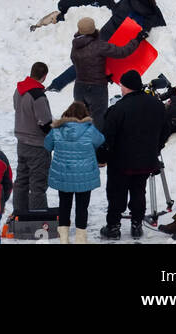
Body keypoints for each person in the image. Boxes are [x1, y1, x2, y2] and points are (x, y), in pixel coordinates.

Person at [99, 70, 171, 240]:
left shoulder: (118, 109)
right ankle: (137, 225)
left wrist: (102, 157)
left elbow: (108, 137)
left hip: (120, 162)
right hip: (146, 160)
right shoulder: (157, 105)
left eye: (121, 85)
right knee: (139, 192)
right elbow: (166, 129)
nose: (121, 88)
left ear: (127, 86)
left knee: (117, 193)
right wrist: (156, 147)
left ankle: (113, 226)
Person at [44, 101, 104, 245]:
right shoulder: (90, 130)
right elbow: (101, 140)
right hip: (84, 175)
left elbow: (47, 145)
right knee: (82, 207)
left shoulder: (57, 129)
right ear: (85, 114)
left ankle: (64, 240)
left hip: (63, 174)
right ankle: (80, 240)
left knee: (64, 206)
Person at [69, 16, 142, 132]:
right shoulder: (99, 45)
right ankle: (99, 147)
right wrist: (136, 40)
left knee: (80, 122)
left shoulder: (75, 46)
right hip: (97, 89)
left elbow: (80, 63)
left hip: (79, 88)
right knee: (99, 121)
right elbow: (122, 52)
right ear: (93, 29)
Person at [12, 61, 52, 218]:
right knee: (38, 185)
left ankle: (19, 214)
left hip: (21, 142)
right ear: (44, 76)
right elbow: (44, 122)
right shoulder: (38, 95)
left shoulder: (18, 90)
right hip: (37, 146)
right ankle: (37, 218)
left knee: (21, 181)